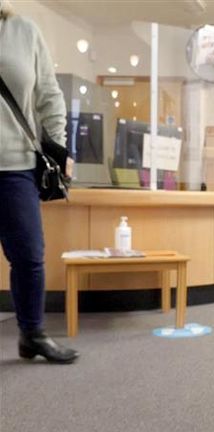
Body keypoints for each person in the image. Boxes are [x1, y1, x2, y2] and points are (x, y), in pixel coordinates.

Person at [0, 3, 78, 363]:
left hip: (15, 165)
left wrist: (59, 150)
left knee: (29, 256)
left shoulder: (23, 31)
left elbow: (49, 96)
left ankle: (33, 333)